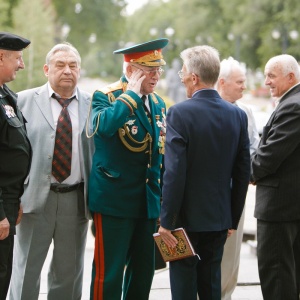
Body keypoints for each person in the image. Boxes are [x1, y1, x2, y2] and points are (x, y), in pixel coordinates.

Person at [158, 45, 250, 300]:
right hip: (219, 219)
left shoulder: (179, 112)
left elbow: (174, 172)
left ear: (194, 78)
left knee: (183, 286)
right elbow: (242, 171)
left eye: (183, 73)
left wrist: (167, 220)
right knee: (211, 285)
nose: (182, 77)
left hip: (183, 221)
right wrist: (232, 217)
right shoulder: (237, 115)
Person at [9, 42, 94, 300]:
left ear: (80, 70)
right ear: (47, 69)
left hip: (75, 201)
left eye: (73, 65)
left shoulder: (94, 104)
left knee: (68, 275)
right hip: (33, 202)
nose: (67, 70)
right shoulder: (21, 101)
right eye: (60, 65)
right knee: (25, 273)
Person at [88, 38, 168, 300]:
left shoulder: (158, 103)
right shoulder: (106, 96)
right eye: (149, 70)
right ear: (132, 71)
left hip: (147, 203)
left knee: (143, 273)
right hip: (115, 201)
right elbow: (104, 128)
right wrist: (130, 97)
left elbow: (159, 154)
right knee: (109, 274)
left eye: (159, 70)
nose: (156, 76)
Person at [251, 54, 300, 300]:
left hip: (280, 208)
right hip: (289, 206)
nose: (267, 81)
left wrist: (245, 174)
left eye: (271, 75)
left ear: (291, 77)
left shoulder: (294, 105)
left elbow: (269, 155)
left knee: (277, 277)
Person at [217, 57, 260, 300]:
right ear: (222, 82)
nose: (244, 86)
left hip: (236, 196)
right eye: (240, 82)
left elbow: (254, 148)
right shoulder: (200, 108)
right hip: (207, 197)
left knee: (231, 258)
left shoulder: (246, 112)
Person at [0, 32, 31, 300]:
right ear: (1, 57)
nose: (22, 65)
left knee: (4, 273)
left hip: (9, 201)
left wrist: (15, 200)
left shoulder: (6, 96)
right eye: (18, 58)